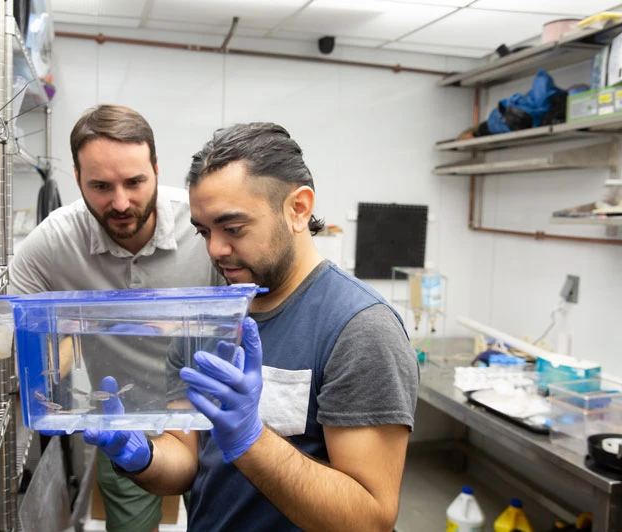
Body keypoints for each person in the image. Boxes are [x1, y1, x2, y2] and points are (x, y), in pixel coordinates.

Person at [83, 122, 420, 531]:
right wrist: (141, 456)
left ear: (298, 209)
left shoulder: (359, 328)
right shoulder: (206, 320)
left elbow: (369, 520)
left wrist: (250, 440)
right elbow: (186, 459)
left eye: (233, 228)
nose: (215, 249)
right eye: (204, 232)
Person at [0, 104, 221, 532]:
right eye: (101, 186)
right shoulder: (56, 239)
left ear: (157, 168)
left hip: (210, 413)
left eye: (135, 182)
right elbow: (2, 321)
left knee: (219, 520)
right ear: (77, 177)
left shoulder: (201, 225)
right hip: (125, 421)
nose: (120, 202)